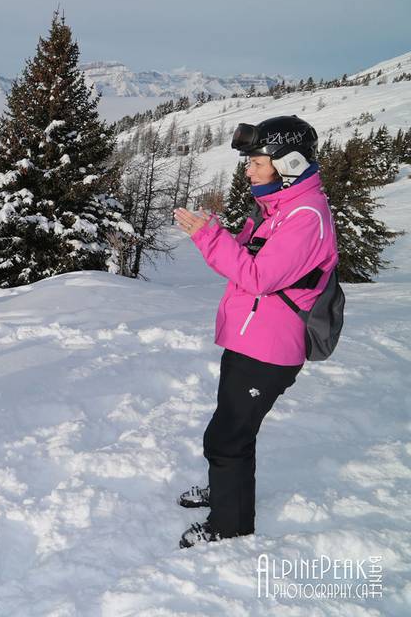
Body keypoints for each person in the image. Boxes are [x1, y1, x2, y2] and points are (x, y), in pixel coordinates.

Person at [172, 115, 339, 548]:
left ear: (290, 164)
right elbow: (255, 257)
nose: (247, 169)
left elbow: (258, 276)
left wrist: (208, 237)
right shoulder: (278, 208)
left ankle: (229, 525)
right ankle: (225, 489)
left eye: (256, 160)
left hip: (270, 350)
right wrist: (222, 233)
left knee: (229, 435)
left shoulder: (305, 217)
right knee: (229, 426)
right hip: (250, 339)